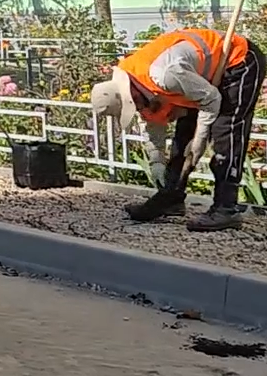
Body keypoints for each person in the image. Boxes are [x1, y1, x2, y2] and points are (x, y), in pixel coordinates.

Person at [91, 27, 264, 231]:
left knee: (226, 129)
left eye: (133, 104)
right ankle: (171, 196)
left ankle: (226, 209)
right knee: (184, 132)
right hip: (198, 75)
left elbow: (212, 99)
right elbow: (152, 123)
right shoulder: (139, 88)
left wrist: (200, 139)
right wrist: (156, 161)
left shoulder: (164, 76)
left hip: (237, 60)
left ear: (130, 93)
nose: (136, 108)